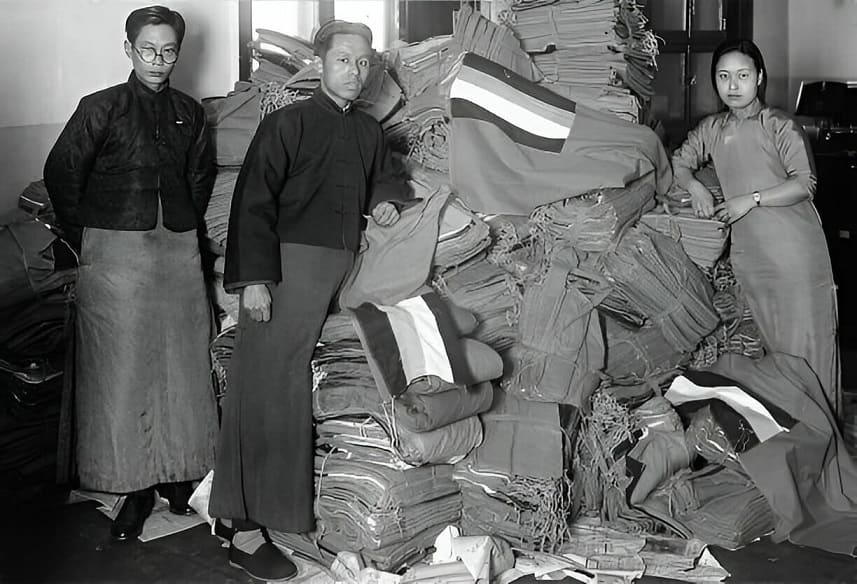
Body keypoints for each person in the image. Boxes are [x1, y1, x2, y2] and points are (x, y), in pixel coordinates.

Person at [208, 19, 406, 582]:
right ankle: (241, 527)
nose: (356, 71)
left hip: (341, 273)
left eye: (365, 62)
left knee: (303, 386)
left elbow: (386, 179)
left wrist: (388, 201)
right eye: (345, 60)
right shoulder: (287, 122)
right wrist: (253, 282)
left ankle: (276, 512)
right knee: (266, 386)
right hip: (285, 271)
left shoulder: (369, 132)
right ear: (320, 64)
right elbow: (252, 203)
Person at [43, 6, 218, 540]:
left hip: (178, 251)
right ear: (128, 49)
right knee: (123, 373)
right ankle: (135, 488)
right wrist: (93, 235)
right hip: (116, 256)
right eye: (148, 50)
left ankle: (181, 479)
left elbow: (200, 179)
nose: (159, 61)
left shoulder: (191, 111)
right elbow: (61, 175)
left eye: (168, 51)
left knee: (183, 365)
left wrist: (182, 229)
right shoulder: (100, 108)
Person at [672, 39, 840, 411]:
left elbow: (804, 183)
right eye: (724, 76)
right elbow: (679, 163)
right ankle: (791, 443)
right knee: (775, 351)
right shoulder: (711, 129)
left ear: (759, 78)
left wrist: (751, 199)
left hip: (795, 252)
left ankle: (822, 442)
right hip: (752, 256)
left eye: (743, 76)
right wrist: (695, 186)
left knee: (808, 349)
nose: (733, 86)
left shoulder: (779, 125)